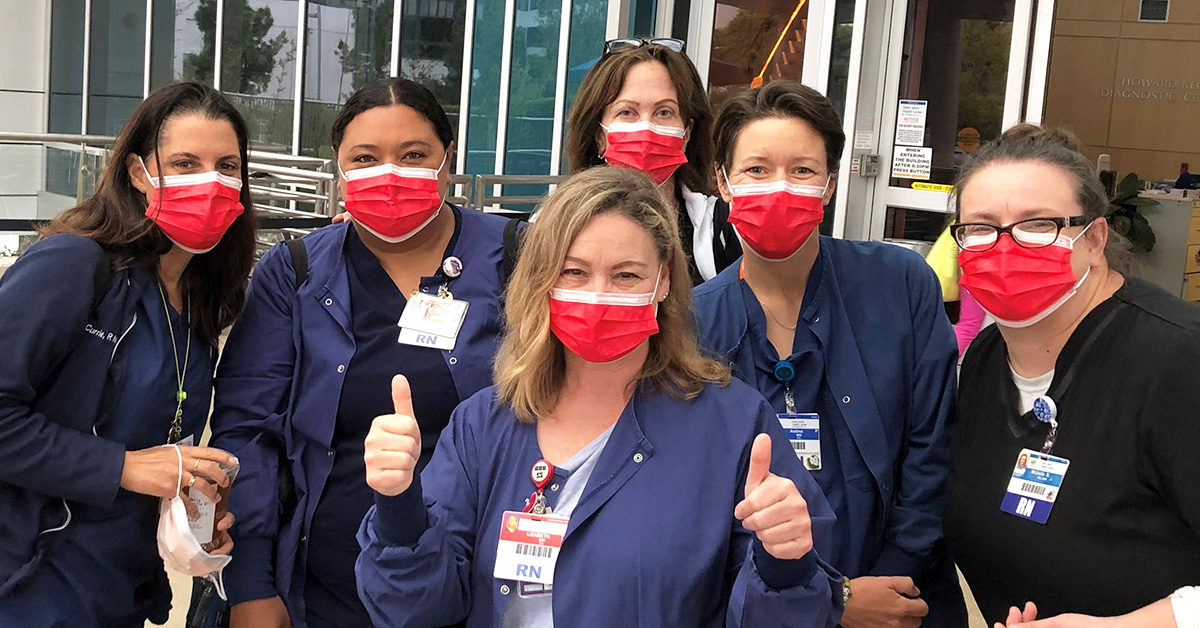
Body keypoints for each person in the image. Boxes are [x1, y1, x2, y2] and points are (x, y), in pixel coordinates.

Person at [356, 166, 844, 627]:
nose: (599, 293)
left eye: (626, 275)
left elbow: (789, 614)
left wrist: (785, 563)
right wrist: (399, 507)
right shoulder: (485, 425)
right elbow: (417, 610)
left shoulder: (734, 427)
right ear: (542, 280)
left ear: (663, 282)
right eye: (574, 272)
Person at [209, 77, 515, 628]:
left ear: (447, 159)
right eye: (366, 158)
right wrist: (251, 586)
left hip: (479, 585)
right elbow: (247, 430)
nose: (390, 173)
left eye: (413, 154)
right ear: (340, 167)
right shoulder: (295, 273)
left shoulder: (515, 259)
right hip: (325, 589)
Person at [692, 80, 965, 628]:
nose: (779, 187)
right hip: (765, 605)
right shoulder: (692, 324)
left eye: (802, 171)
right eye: (756, 170)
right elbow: (701, 500)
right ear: (722, 182)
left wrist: (895, 575)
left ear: (830, 184)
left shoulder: (901, 285)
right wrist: (829, 597)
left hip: (904, 598)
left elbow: (933, 447)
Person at [0, 81, 256, 626]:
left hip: (116, 592)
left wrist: (191, 509)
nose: (209, 182)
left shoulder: (199, 305)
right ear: (140, 173)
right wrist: (124, 467)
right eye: (185, 163)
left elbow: (161, 443)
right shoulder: (73, 266)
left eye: (226, 166)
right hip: (30, 585)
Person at [943, 125, 1200, 627]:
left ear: (1095, 238)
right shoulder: (987, 359)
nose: (1004, 245)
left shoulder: (1176, 359)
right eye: (980, 227)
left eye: (1037, 224)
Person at [565, 37, 741, 284]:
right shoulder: (555, 227)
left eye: (664, 112)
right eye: (627, 112)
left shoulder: (721, 230)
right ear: (598, 135)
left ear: (686, 133)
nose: (646, 127)